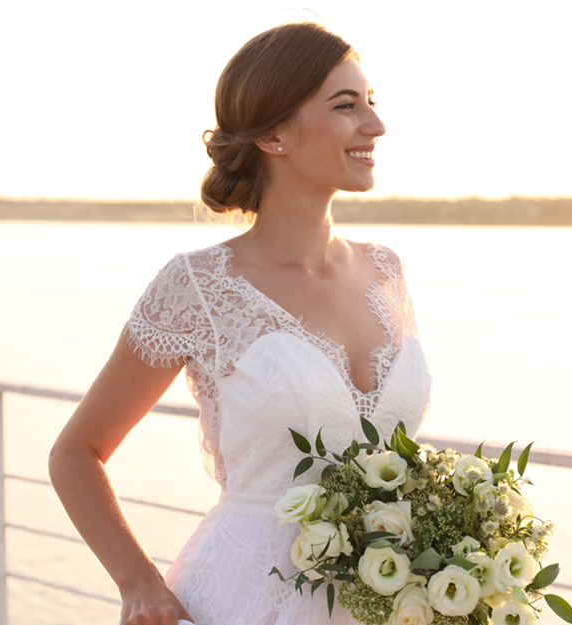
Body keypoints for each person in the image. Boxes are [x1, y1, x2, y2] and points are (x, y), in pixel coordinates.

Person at [49, 21, 431, 625]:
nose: (375, 125)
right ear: (275, 134)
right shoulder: (198, 286)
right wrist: (137, 583)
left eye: (372, 103)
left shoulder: (386, 272)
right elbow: (76, 453)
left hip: (384, 601)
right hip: (243, 601)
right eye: (345, 105)